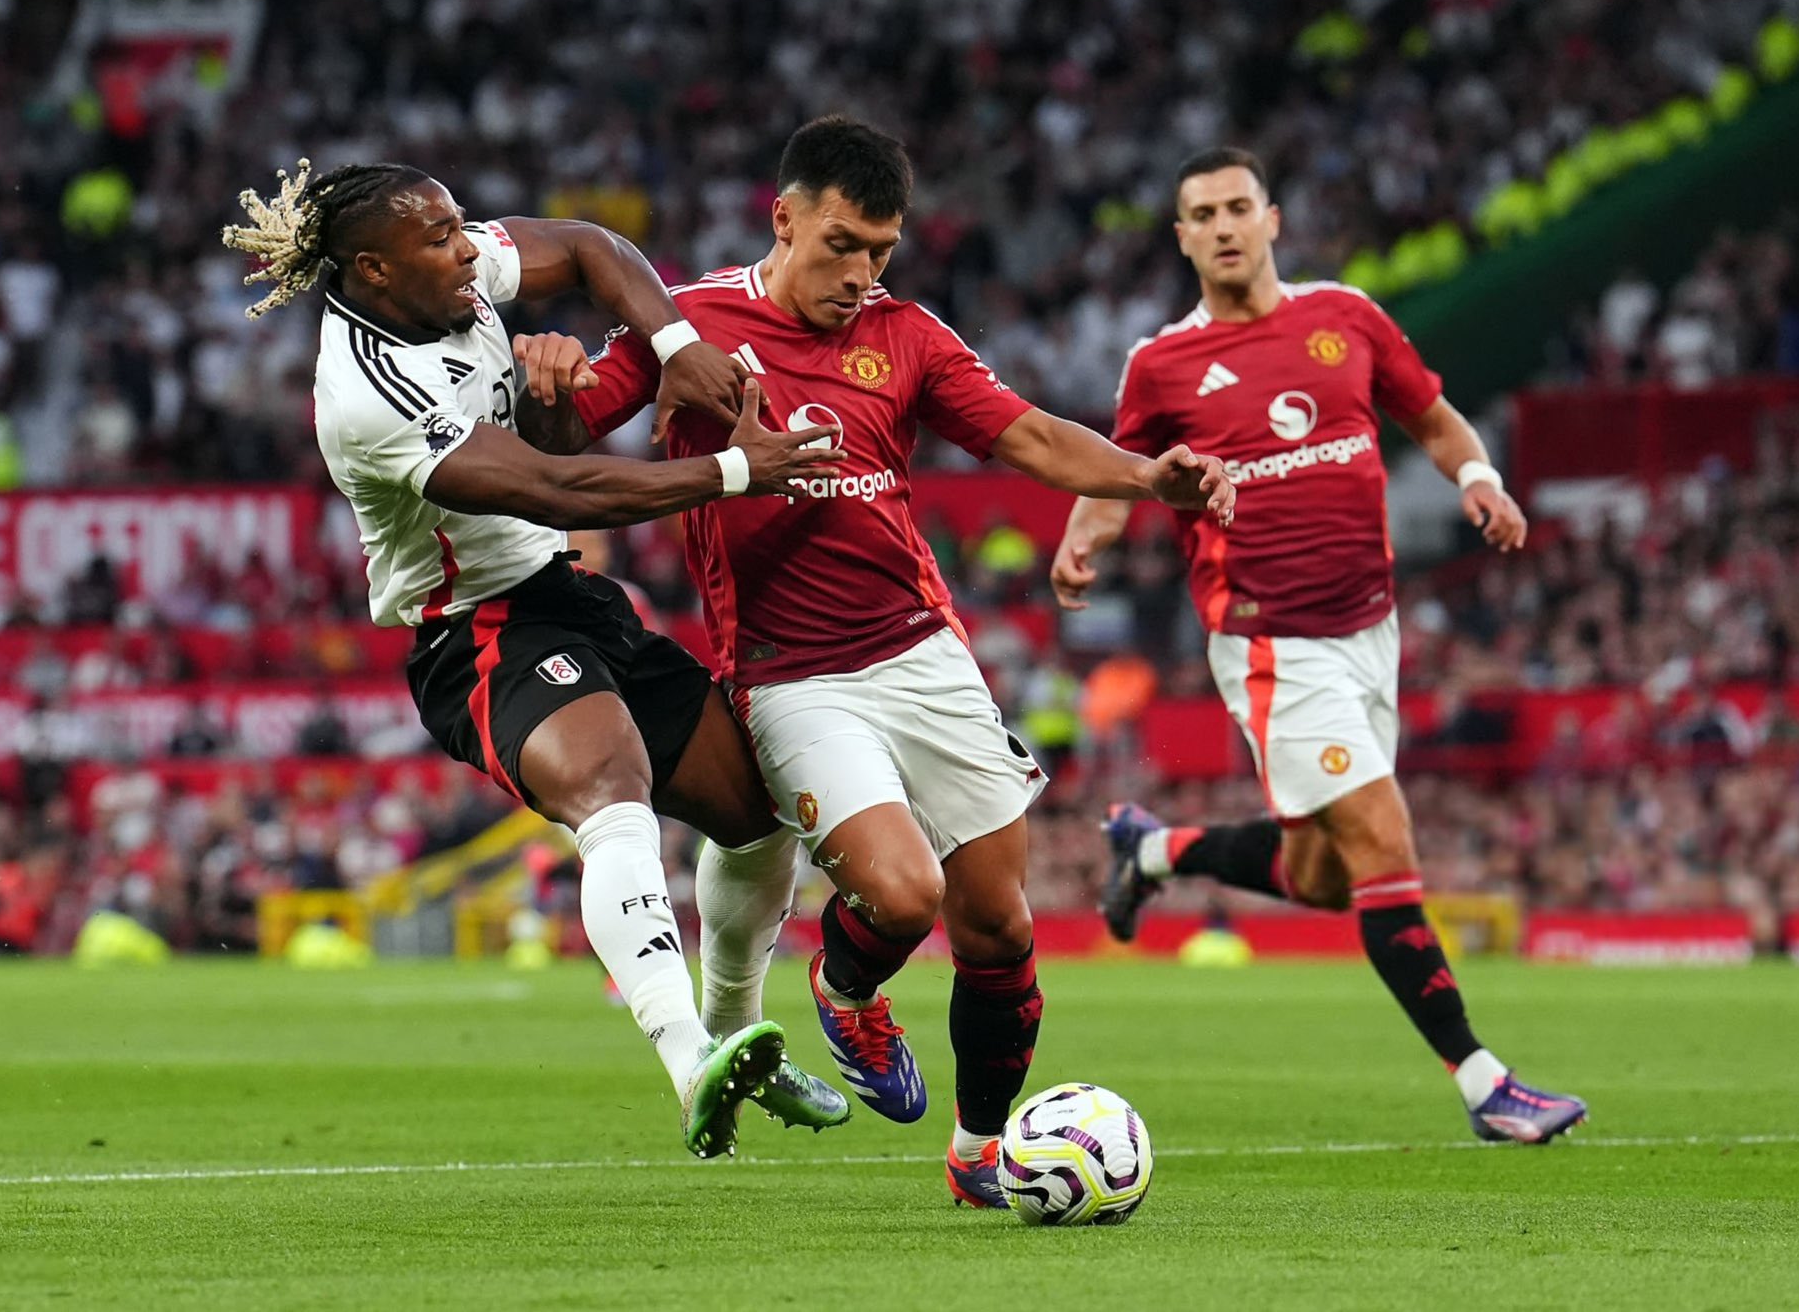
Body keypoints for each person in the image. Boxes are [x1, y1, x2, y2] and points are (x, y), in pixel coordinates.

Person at [543, 116, 1233, 1204]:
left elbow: (1030, 435)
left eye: (880, 250)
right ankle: (844, 981)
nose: (860, 273)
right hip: (790, 675)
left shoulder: (905, 334)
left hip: (923, 652)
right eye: (841, 244)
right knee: (903, 896)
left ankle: (976, 1156)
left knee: (1000, 924)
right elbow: (565, 427)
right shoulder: (688, 328)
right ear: (784, 220)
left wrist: (1149, 479)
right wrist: (539, 368)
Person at [219, 159, 851, 1158]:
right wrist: (733, 469)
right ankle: (688, 1059)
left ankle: (734, 1038)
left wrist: (675, 346)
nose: (468, 245)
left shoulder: (455, 273)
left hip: (567, 595)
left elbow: (595, 248)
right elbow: (549, 489)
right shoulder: (367, 394)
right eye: (438, 239)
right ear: (372, 270)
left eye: (460, 222)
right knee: (612, 787)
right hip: (476, 629)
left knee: (753, 815)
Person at [1051, 147, 1587, 1144]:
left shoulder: (1344, 316)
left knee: (1330, 874)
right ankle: (1484, 1082)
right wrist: (1083, 537)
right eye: (1199, 212)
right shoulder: (1161, 361)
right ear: (1180, 237)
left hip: (1366, 634)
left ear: (1271, 220)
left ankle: (1155, 848)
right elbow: (1122, 472)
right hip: (1270, 644)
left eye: (1235, 207)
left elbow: (1429, 416)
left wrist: (1477, 476)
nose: (1219, 224)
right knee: (1383, 843)